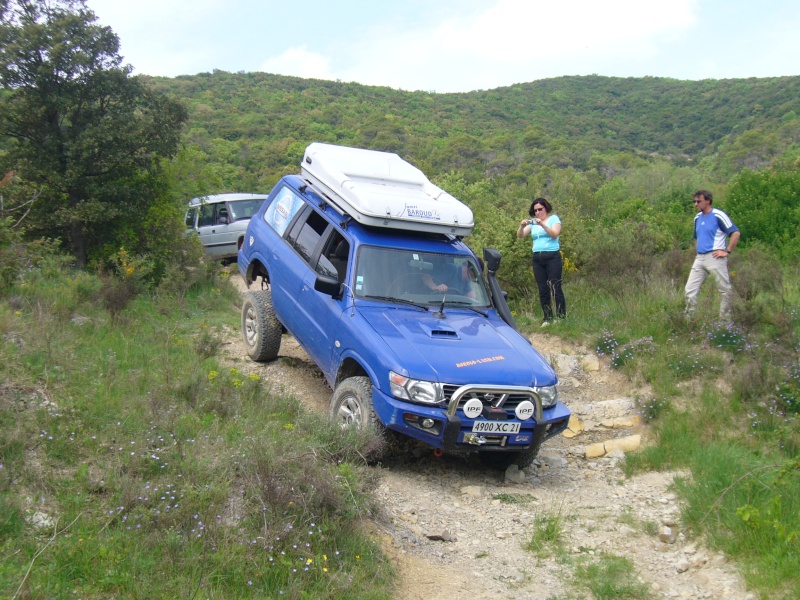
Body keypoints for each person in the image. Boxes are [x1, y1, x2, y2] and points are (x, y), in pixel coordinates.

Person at [684, 189, 740, 322]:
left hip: (715, 257)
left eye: (699, 201)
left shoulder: (718, 215)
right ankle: (688, 322)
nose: (696, 204)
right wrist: (698, 251)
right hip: (700, 258)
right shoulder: (697, 218)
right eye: (695, 201)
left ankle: (725, 323)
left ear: (708, 201)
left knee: (724, 290)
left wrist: (727, 251)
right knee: (689, 290)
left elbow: (735, 233)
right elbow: (696, 237)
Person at [517, 198, 566, 326]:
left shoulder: (553, 219)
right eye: (535, 210)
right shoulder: (533, 223)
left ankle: (560, 317)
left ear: (546, 209)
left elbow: (554, 234)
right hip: (537, 258)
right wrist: (522, 225)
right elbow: (520, 235)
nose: (538, 212)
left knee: (555, 286)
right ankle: (547, 317)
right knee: (543, 289)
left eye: (540, 209)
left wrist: (543, 225)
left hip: (552, 256)